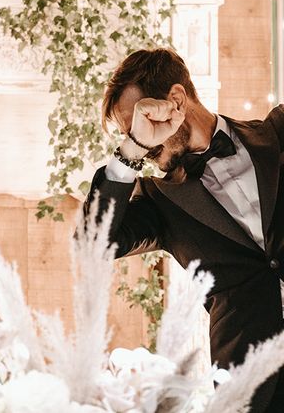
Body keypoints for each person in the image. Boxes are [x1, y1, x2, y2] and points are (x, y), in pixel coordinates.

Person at [83, 48, 284, 412]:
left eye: (143, 122)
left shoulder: (278, 133)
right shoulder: (162, 202)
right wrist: (131, 148)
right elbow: (95, 243)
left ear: (175, 99)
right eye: (133, 134)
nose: (143, 143)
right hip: (255, 385)